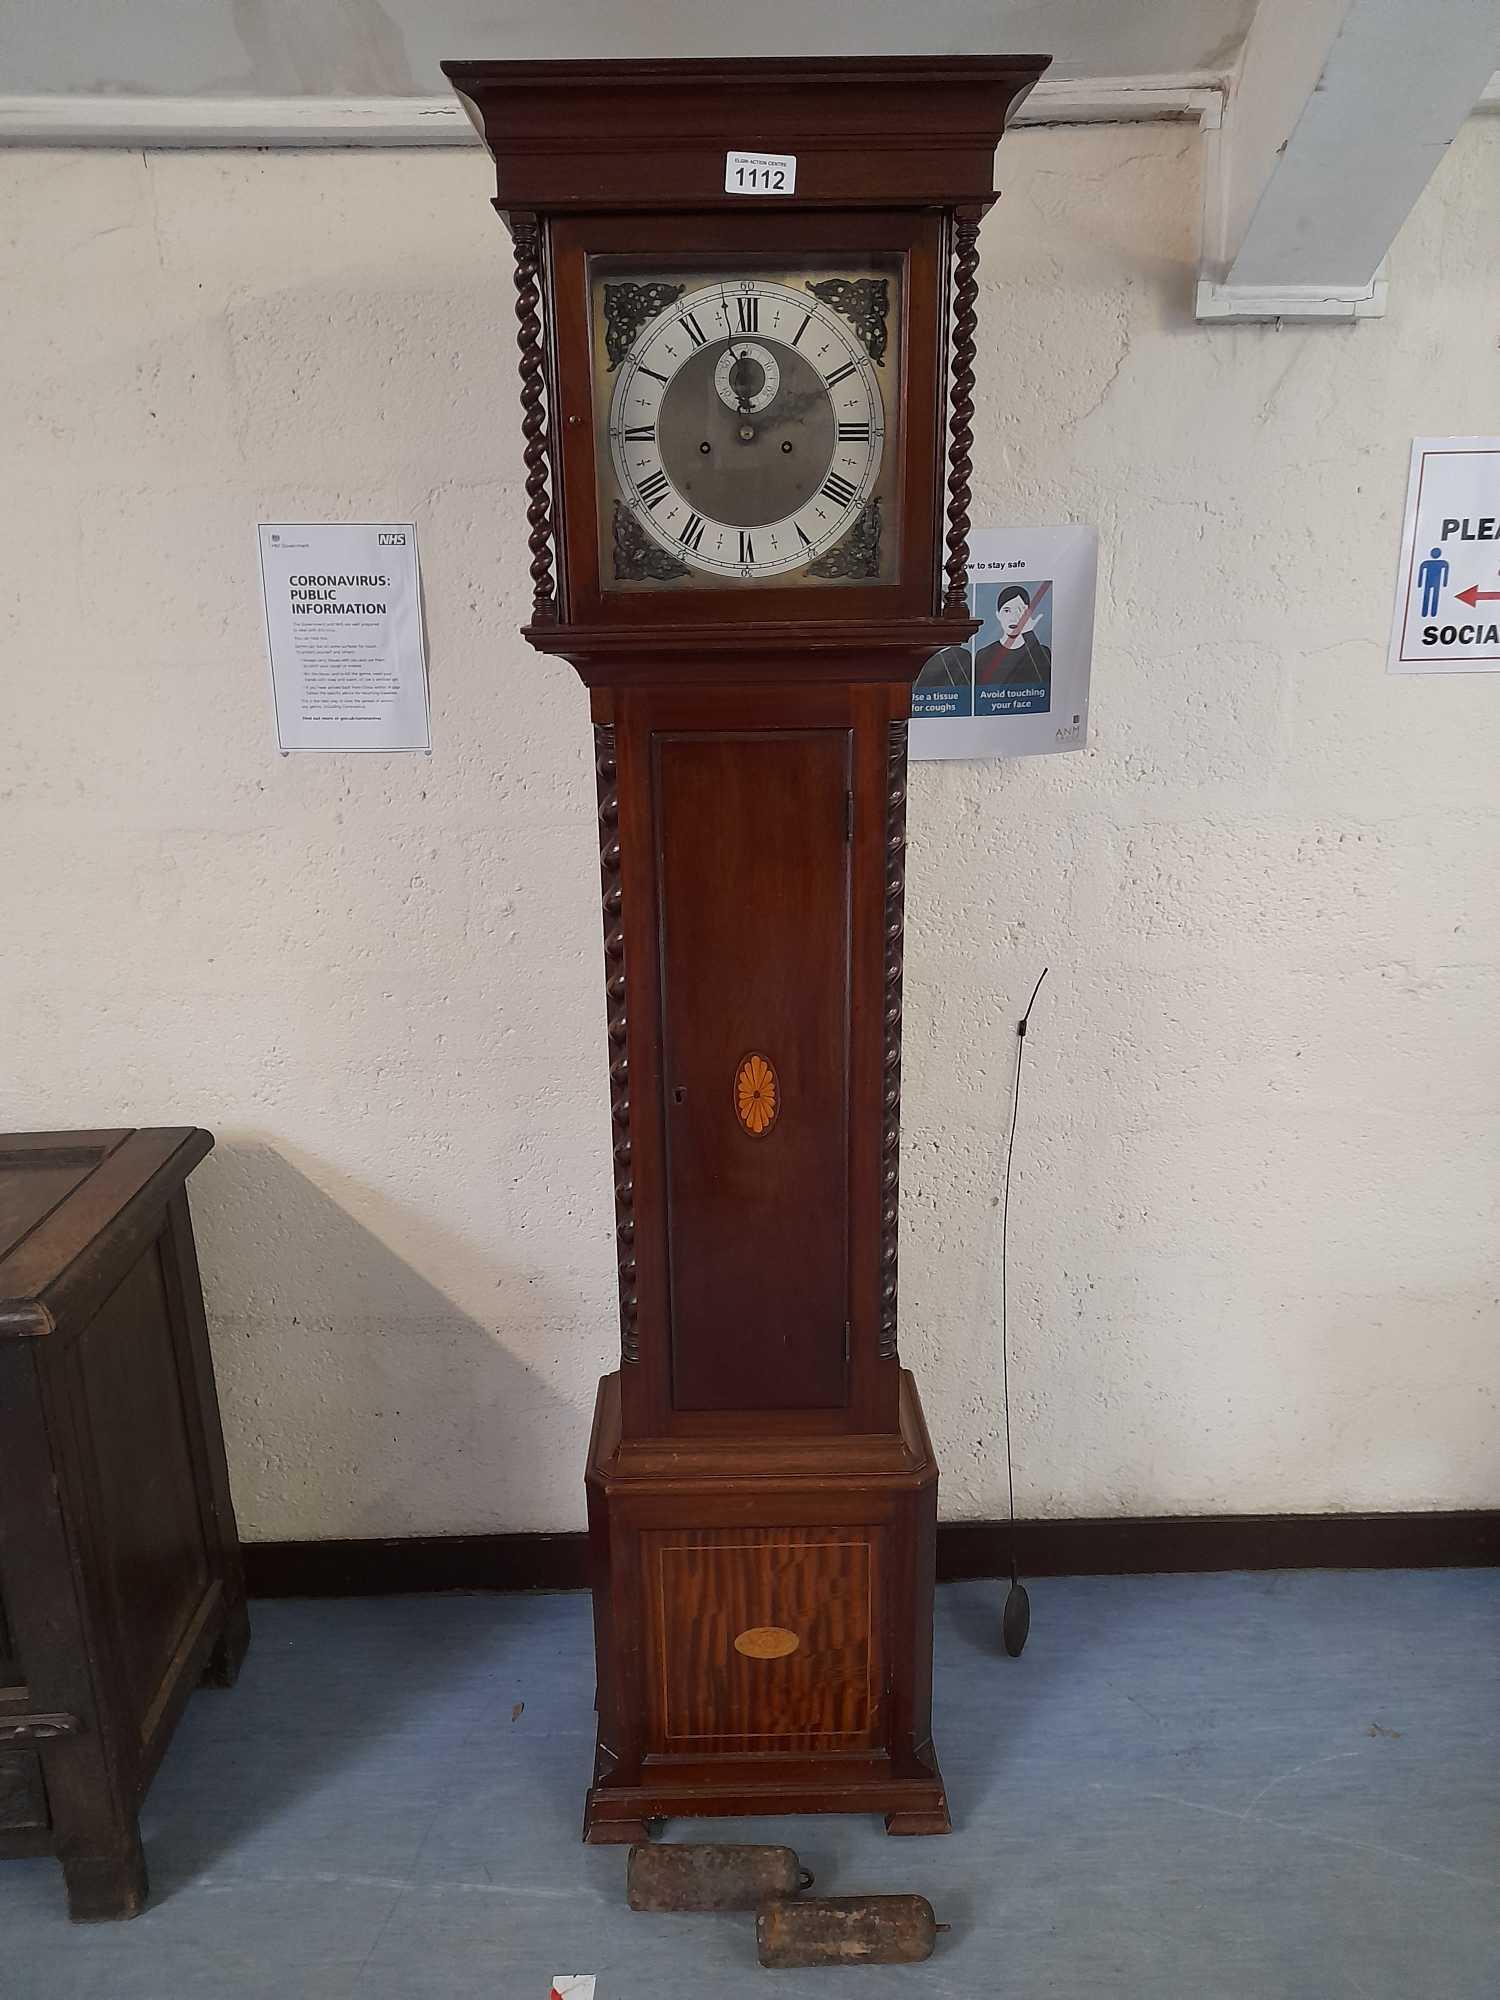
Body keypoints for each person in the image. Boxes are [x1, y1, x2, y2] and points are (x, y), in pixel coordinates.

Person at [975, 585, 1051, 686]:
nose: (1013, 618)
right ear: (998, 615)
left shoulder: (1042, 653)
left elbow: (1045, 681)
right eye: (1007, 610)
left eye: (1019, 610)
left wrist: (1028, 632)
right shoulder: (983, 655)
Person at [1417, 547, 1449, 618]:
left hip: (1436, 583)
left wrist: (1445, 583)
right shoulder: (1426, 563)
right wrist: (1420, 583)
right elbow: (1421, 573)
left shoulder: (1443, 563)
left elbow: (1445, 573)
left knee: (1434, 597)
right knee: (1428, 596)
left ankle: (1432, 613)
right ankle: (1425, 613)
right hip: (1428, 582)